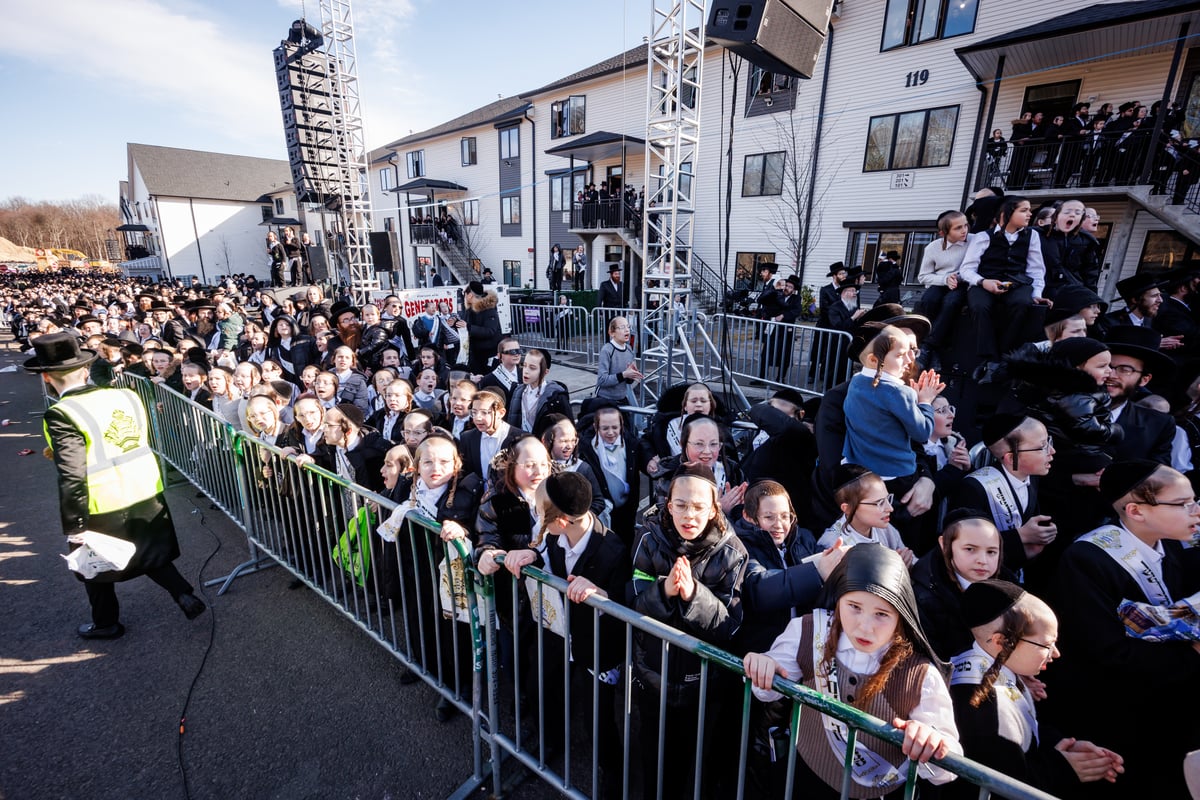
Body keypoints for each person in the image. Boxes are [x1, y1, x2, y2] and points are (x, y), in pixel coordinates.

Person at [743, 545, 962, 800]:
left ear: (901, 614)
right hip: (805, 780)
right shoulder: (807, 631)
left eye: (882, 614)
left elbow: (949, 769)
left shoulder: (919, 673)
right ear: (838, 600)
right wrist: (763, 666)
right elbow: (765, 693)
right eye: (854, 607)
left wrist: (932, 742)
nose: (865, 626)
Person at [27, 332, 205, 639]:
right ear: (85, 370)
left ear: (46, 378)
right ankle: (183, 594)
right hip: (145, 487)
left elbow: (72, 474)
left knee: (92, 566)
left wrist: (75, 523)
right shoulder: (125, 395)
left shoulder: (61, 413)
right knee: (148, 550)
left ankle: (106, 622)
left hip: (101, 500)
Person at [1049, 461, 1200, 797]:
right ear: (1136, 510)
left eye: (1195, 500)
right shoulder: (1087, 559)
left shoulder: (1175, 545)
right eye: (1183, 504)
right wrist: (1192, 653)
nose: (1196, 511)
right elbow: (1106, 652)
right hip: (1121, 722)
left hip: (1174, 713)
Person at [631, 464, 749, 800]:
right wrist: (664, 591)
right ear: (669, 505)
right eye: (680, 504)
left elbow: (731, 624)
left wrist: (694, 595)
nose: (689, 515)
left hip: (705, 686)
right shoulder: (648, 539)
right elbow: (633, 599)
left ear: (714, 508)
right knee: (655, 765)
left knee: (699, 770)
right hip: (653, 677)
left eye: (698, 507)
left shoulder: (732, 552)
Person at [947, 580, 1125, 798]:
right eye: (1046, 645)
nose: (1056, 653)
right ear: (1000, 642)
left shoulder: (990, 661)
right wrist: (1064, 767)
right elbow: (1006, 784)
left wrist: (1060, 745)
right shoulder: (982, 704)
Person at [959, 196, 1052, 374]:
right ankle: (990, 358)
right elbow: (967, 269)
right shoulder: (982, 237)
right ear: (1007, 213)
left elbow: (1036, 269)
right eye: (1023, 210)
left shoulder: (1032, 236)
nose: (1029, 214)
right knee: (979, 306)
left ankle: (1004, 353)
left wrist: (1036, 293)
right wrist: (983, 282)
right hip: (985, 281)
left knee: (1022, 303)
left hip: (1017, 282)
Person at [910, 510, 1008, 662]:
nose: (982, 560)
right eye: (970, 549)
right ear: (944, 545)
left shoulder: (1008, 588)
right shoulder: (923, 596)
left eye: (991, 552)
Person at [818, 464, 914, 566]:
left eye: (888, 499)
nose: (890, 508)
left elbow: (912, 562)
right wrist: (897, 570)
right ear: (848, 508)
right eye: (880, 503)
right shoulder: (832, 545)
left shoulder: (884, 528)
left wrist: (909, 565)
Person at [506, 348, 572, 434]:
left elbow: (568, 430)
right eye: (524, 365)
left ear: (545, 372)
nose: (526, 371)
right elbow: (512, 421)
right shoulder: (518, 391)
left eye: (532, 368)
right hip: (520, 443)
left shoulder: (556, 397)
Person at [592, 316, 641, 409]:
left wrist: (632, 376)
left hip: (622, 397)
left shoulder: (629, 349)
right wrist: (624, 375)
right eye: (622, 327)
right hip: (605, 399)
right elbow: (602, 380)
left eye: (628, 327)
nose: (627, 330)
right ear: (611, 333)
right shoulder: (607, 350)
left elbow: (627, 380)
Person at [459, 281, 502, 374]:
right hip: (475, 353)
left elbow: (490, 331)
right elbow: (466, 325)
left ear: (469, 295)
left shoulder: (489, 309)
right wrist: (456, 324)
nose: (464, 297)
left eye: (464, 294)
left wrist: (469, 327)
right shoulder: (470, 309)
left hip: (487, 355)